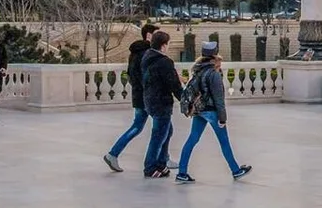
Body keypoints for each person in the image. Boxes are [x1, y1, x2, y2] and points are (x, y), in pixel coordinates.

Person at [175, 42, 251, 184]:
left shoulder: (197, 70)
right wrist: (222, 118)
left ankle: (182, 172)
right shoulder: (213, 74)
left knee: (192, 140)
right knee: (224, 142)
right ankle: (235, 170)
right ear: (215, 56)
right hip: (211, 111)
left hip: (199, 110)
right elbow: (219, 99)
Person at [104, 24, 167, 173]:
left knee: (140, 127)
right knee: (164, 127)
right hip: (148, 97)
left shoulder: (135, 52)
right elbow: (148, 76)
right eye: (158, 34)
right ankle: (162, 159)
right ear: (149, 36)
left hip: (139, 95)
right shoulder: (147, 53)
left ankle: (113, 154)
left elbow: (131, 75)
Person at [140, 30, 183, 179]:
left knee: (167, 131)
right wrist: (184, 99)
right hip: (161, 102)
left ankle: (161, 163)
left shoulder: (147, 57)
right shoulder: (164, 62)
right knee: (159, 135)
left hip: (149, 100)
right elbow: (174, 84)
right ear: (164, 46)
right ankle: (150, 167)